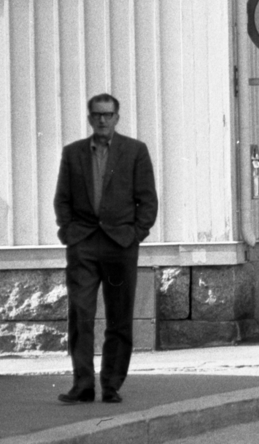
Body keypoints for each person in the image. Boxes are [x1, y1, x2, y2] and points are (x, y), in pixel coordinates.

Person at [53, 94, 158, 404]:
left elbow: (147, 200)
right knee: (81, 314)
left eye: (108, 114)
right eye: (97, 114)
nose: (102, 120)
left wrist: (135, 234)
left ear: (117, 118)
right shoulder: (73, 153)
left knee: (119, 318)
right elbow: (62, 198)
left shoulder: (135, 151)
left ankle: (111, 385)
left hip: (120, 245)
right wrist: (69, 233)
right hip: (83, 244)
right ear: (89, 118)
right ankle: (83, 385)